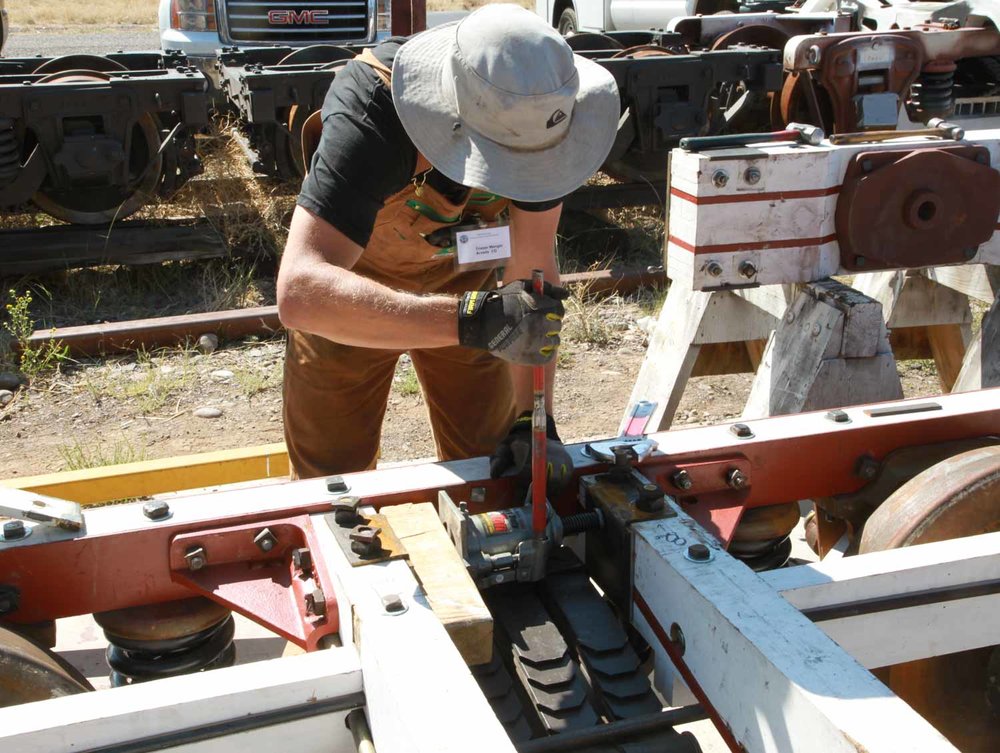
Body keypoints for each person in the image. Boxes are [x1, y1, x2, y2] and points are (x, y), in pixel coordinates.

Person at [276, 3, 620, 497]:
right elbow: (301, 292)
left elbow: (534, 272)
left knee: (490, 472)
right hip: (352, 293)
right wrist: (470, 321)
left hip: (471, 291)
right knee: (331, 489)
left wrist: (533, 420)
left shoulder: (539, 114)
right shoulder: (372, 109)